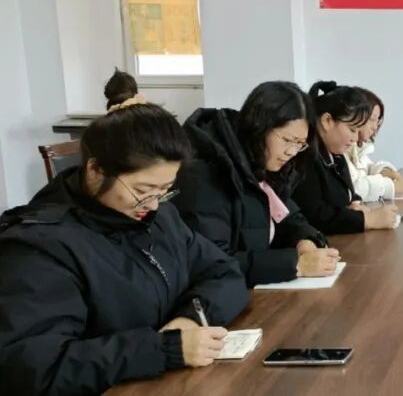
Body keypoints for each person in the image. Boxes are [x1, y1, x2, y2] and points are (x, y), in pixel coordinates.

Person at [0, 99, 249, 394]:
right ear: (95, 170)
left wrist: (189, 320)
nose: (153, 204)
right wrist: (163, 349)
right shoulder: (38, 247)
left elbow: (225, 272)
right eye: (143, 190)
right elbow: (32, 368)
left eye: (164, 190)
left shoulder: (159, 218)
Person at [173, 81, 341, 288]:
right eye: (287, 140)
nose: (292, 152)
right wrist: (296, 264)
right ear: (260, 128)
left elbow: (289, 218)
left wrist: (304, 241)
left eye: (300, 144)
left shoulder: (262, 164)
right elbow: (212, 262)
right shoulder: (205, 173)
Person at [293, 81, 399, 234]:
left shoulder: (336, 155)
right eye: (352, 130)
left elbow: (348, 192)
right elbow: (314, 215)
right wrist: (366, 220)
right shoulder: (305, 157)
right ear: (327, 121)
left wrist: (356, 203)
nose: (355, 138)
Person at [344, 88, 403, 201]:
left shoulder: (356, 148)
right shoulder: (340, 148)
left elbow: (367, 168)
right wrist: (389, 187)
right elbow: (350, 189)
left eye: (378, 121)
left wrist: (383, 171)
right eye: (372, 119)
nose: (375, 127)